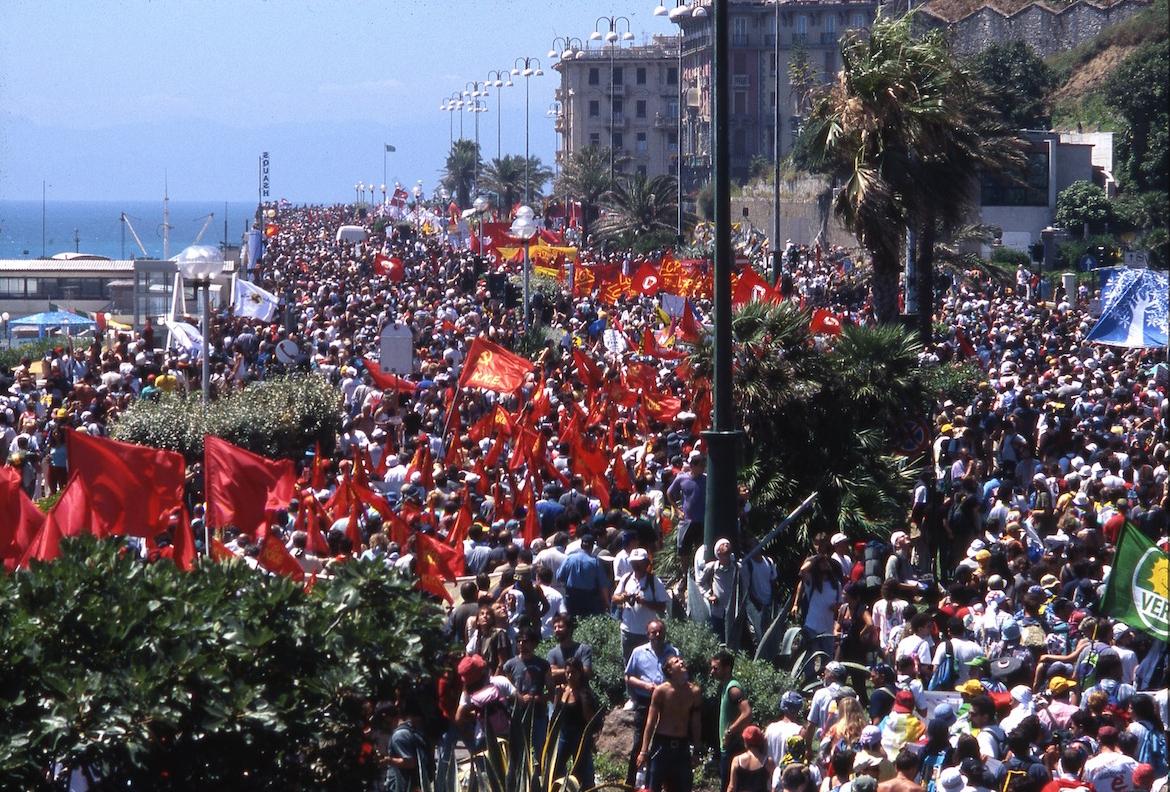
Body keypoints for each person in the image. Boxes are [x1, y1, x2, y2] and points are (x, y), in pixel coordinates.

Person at [624, 619, 679, 787]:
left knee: (663, 741)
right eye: (653, 632)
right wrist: (645, 685)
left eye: (660, 632)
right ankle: (631, 782)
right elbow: (628, 676)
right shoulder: (639, 652)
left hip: (666, 702)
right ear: (647, 634)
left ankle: (657, 783)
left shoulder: (673, 652)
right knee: (640, 741)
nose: (657, 635)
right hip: (645, 700)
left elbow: (678, 675)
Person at [637, 653, 702, 792]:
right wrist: (644, 751)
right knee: (652, 787)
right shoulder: (661, 691)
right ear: (669, 670)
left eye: (681, 659)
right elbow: (650, 722)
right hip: (662, 745)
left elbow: (696, 723)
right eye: (676, 661)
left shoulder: (694, 692)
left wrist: (697, 750)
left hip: (682, 746)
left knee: (683, 787)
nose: (681, 661)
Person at [502, 627, 552, 786]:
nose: (522, 644)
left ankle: (539, 782)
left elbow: (551, 691)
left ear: (534, 643)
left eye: (526, 641)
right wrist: (519, 698)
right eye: (519, 641)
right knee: (516, 752)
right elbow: (505, 689)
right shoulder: (510, 665)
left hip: (537, 714)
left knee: (539, 751)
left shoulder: (543, 665)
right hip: (516, 715)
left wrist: (538, 698)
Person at [612, 546, 668, 663]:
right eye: (634, 562)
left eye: (639, 562)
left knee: (646, 663)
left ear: (646, 563)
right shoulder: (626, 578)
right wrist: (624, 597)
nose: (636, 565)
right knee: (628, 663)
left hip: (646, 633)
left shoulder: (654, 582)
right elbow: (614, 598)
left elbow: (662, 606)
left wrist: (644, 602)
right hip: (628, 630)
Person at [551, 656, 599, 788]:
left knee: (583, 770)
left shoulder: (585, 693)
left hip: (579, 736)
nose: (570, 676)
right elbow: (556, 712)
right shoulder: (563, 690)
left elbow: (590, 719)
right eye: (567, 672)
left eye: (573, 672)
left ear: (579, 673)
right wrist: (557, 695)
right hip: (564, 735)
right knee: (555, 767)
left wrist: (583, 700)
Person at [712, 649, 753, 787]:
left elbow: (747, 712)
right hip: (727, 748)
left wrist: (729, 731)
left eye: (716, 668)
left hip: (733, 747)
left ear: (727, 668)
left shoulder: (733, 689)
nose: (712, 671)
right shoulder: (725, 687)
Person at [555, 533, 610, 618]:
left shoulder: (570, 558)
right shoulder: (595, 562)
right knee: (585, 623)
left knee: (571, 622)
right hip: (588, 599)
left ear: (581, 545)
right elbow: (603, 584)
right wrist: (607, 602)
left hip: (571, 597)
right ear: (592, 546)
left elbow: (559, 577)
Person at [700, 537, 738, 639]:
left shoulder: (737, 567)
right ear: (718, 552)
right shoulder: (712, 567)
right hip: (718, 611)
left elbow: (745, 585)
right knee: (718, 637)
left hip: (735, 611)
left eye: (727, 544)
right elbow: (700, 583)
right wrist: (708, 595)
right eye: (723, 544)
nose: (726, 545)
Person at [546, 613, 593, 687]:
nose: (557, 630)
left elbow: (587, 672)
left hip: (581, 693)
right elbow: (551, 674)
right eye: (555, 628)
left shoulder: (583, 649)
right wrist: (574, 671)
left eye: (560, 627)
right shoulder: (552, 653)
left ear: (569, 628)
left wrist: (560, 671)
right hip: (560, 695)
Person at [726, 724, 774, 792]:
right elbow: (774, 785)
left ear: (745, 741)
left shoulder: (737, 760)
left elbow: (731, 787)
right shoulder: (768, 762)